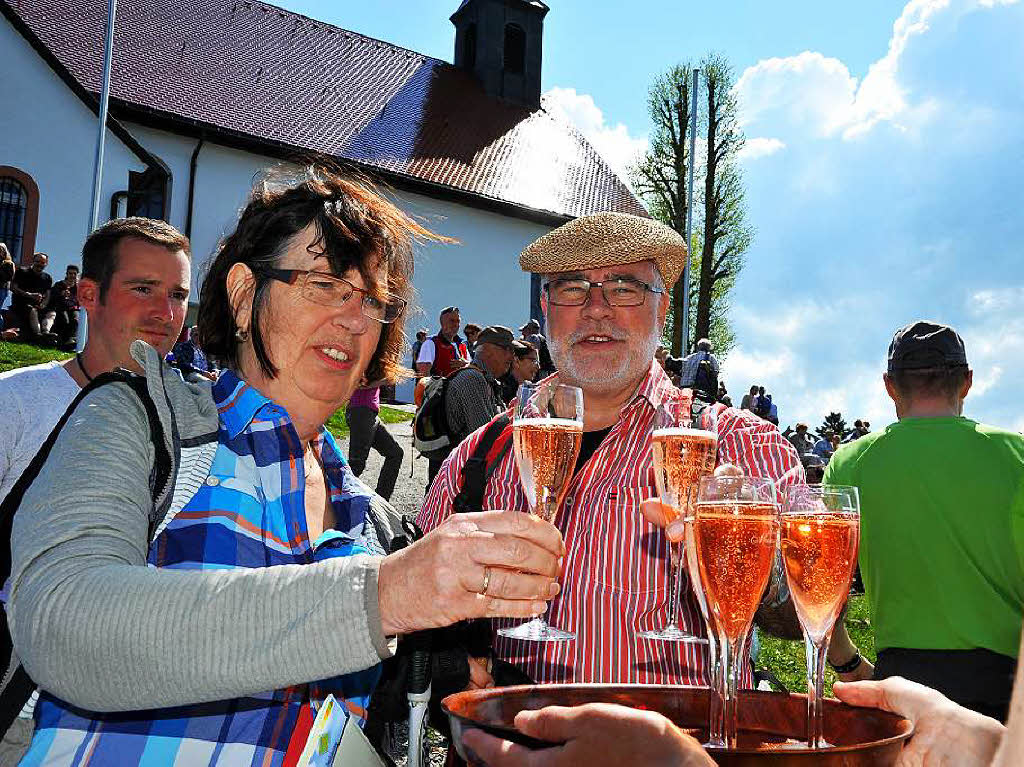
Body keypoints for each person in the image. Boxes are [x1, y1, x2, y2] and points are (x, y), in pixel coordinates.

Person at [6, 165, 564, 765]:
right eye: (324, 284)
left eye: (372, 300)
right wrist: (384, 595)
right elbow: (62, 623)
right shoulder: (143, 418)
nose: (353, 320)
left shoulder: (370, 521)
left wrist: (439, 666)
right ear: (245, 296)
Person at [417, 211, 803, 690]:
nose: (596, 309)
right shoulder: (482, 454)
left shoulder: (742, 444)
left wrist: (742, 558)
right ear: (545, 307)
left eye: (624, 288)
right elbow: (420, 603)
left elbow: (798, 618)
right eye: (573, 288)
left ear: (662, 310)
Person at [826, 320, 1024, 721]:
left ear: (889, 385)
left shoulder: (849, 463)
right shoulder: (1016, 455)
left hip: (903, 689)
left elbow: (820, 593)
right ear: (966, 382)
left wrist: (847, 664)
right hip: (1005, 690)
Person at [0, 218, 191, 505]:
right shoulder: (14, 402)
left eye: (177, 295)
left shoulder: (193, 428)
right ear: (89, 295)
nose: (167, 314)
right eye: (143, 289)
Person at [426, 325, 515, 487]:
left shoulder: (482, 377)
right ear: (487, 349)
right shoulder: (473, 379)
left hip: (453, 474)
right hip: (454, 482)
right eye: (507, 349)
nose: (512, 355)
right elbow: (485, 439)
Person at [345, 381, 404, 501]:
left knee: (395, 453)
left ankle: (381, 500)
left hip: (370, 413)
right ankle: (334, 502)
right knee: (356, 465)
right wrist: (385, 379)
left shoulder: (376, 362)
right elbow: (357, 382)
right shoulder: (365, 361)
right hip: (361, 411)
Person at [9, 252, 55, 344]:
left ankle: (46, 332)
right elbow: (13, 287)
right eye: (38, 261)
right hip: (21, 303)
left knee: (51, 313)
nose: (40, 264)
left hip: (38, 304)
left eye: (43, 263)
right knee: (32, 310)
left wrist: (44, 304)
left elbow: (48, 294)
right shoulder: (22, 271)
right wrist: (29, 295)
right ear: (33, 261)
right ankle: (38, 335)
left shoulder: (47, 277)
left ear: (46, 264)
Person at [416, 306, 469, 377]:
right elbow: (423, 374)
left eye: (458, 321)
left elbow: (474, 368)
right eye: (452, 321)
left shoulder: (462, 345)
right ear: (443, 323)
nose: (456, 324)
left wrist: (465, 364)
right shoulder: (430, 343)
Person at [40, 264, 80, 350]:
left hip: (73, 308)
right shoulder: (59, 284)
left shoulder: (78, 287)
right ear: (67, 274)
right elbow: (52, 297)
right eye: (70, 273)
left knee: (76, 319)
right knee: (64, 320)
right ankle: (61, 341)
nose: (72, 276)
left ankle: (72, 339)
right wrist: (61, 294)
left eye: (74, 274)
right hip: (61, 307)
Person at [677, 338, 720, 402]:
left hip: (684, 389)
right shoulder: (710, 358)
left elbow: (681, 371)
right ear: (708, 348)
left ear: (698, 347)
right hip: (699, 392)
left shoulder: (689, 358)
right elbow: (716, 373)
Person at [500, 339, 540, 403]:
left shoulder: (527, 388)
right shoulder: (503, 391)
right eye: (533, 361)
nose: (538, 367)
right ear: (516, 361)